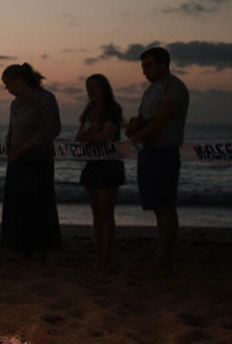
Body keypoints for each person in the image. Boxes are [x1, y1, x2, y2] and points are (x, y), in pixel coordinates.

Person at [124, 46, 190, 269]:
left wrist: (138, 135)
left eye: (149, 66)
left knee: (165, 206)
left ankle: (165, 256)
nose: (145, 71)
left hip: (164, 150)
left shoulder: (174, 87)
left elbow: (163, 118)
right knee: (156, 206)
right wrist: (135, 125)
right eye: (143, 67)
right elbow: (147, 118)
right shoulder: (150, 90)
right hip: (148, 151)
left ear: (163, 64)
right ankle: (162, 253)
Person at [0, 63, 62, 261]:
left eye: (8, 84)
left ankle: (40, 249)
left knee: (39, 204)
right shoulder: (16, 104)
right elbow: (13, 128)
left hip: (37, 159)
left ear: (19, 80)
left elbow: (50, 129)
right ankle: (21, 247)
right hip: (17, 159)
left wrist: (24, 148)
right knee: (18, 205)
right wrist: (9, 147)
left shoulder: (44, 99)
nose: (7, 88)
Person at [76, 74, 125, 267]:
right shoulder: (88, 112)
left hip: (109, 164)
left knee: (106, 212)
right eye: (89, 87)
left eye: (95, 86)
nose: (91, 91)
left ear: (104, 88)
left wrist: (90, 136)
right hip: (91, 164)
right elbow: (80, 137)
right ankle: (100, 253)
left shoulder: (111, 110)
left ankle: (107, 256)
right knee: (96, 213)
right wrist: (88, 137)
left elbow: (105, 136)